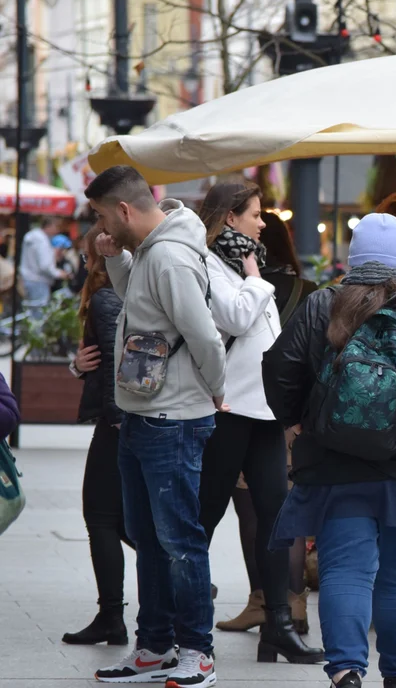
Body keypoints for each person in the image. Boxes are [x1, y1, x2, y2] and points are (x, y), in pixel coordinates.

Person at [263, 213, 396, 688]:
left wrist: (298, 422)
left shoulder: (322, 304)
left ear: (352, 256)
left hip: (336, 464)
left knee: (345, 569)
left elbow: (280, 368)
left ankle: (345, 671)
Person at [85, 165, 227, 688]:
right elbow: (142, 303)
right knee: (149, 538)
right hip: (144, 413)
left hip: (173, 419)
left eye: (102, 215)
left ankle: (197, 651)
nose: (99, 224)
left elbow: (205, 336)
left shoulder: (169, 256)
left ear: (124, 210)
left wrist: (215, 389)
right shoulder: (148, 250)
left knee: (179, 540)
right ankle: (154, 646)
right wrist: (116, 256)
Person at [194, 181, 322, 665]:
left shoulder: (246, 264)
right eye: (255, 214)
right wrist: (257, 277)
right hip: (226, 410)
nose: (263, 222)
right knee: (203, 519)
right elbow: (234, 318)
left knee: (276, 519)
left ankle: (279, 628)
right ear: (230, 217)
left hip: (264, 411)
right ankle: (176, 625)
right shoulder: (208, 263)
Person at [217, 209, 317, 635]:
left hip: (245, 408)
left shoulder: (237, 285)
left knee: (251, 512)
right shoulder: (307, 290)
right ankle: (292, 603)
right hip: (292, 418)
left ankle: (261, 600)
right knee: (283, 510)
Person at [63, 223, 130, 646]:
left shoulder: (106, 297)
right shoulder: (117, 293)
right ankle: (183, 578)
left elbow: (115, 365)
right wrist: (76, 366)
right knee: (122, 520)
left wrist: (117, 421)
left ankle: (112, 617)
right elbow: (101, 362)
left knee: (102, 518)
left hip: (117, 423)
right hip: (121, 419)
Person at [19, 216, 69, 312]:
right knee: (39, 315)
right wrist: (59, 273)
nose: (57, 231)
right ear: (49, 226)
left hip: (28, 279)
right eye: (56, 227)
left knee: (31, 312)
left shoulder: (32, 236)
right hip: (39, 281)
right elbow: (45, 265)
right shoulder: (42, 240)